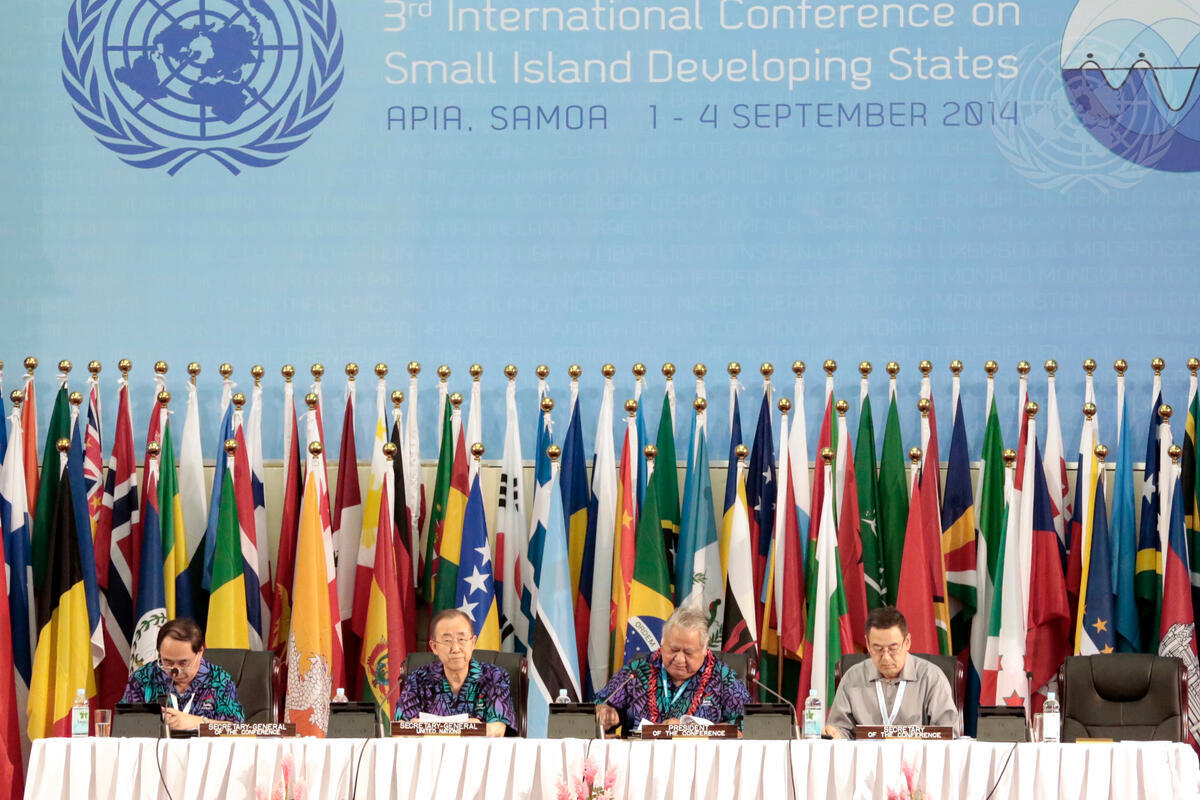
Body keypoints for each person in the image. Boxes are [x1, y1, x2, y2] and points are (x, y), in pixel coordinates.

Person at [594, 605, 750, 733]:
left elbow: (746, 724)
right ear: (662, 642)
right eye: (673, 650)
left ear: (705, 647)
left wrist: (690, 731)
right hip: (640, 758)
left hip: (699, 760)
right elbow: (597, 706)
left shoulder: (723, 678)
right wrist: (605, 714)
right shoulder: (636, 672)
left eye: (688, 652)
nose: (679, 659)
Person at [823, 606, 958, 739]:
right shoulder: (852, 678)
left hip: (915, 753)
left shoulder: (932, 678)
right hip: (867, 753)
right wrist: (836, 734)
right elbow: (841, 729)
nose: (886, 658)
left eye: (893, 648)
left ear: (907, 642)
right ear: (868, 644)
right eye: (878, 649)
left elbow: (948, 734)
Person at [394, 609, 515, 737]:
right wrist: (467, 728)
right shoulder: (418, 679)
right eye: (447, 641)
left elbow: (498, 729)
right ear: (434, 647)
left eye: (461, 639)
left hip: (477, 750)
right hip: (431, 750)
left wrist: (479, 729)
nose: (455, 649)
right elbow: (398, 731)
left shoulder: (494, 677)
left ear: (473, 643)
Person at [121, 618, 245, 731]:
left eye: (183, 663)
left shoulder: (220, 680)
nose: (176, 670)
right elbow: (123, 726)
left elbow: (238, 730)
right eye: (168, 662)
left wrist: (195, 722)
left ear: (200, 651)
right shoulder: (143, 678)